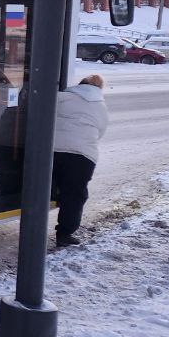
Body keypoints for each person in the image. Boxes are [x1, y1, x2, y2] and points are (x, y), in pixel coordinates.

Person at [51, 73, 108, 247]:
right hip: (83, 155)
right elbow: (100, 132)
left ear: (80, 84)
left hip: (53, 150)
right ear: (99, 89)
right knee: (75, 195)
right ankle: (64, 234)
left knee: (44, 187)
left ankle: (33, 226)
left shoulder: (61, 97)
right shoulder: (101, 106)